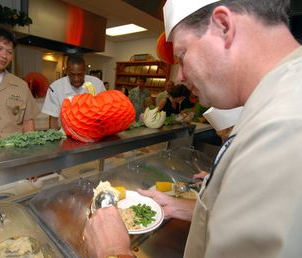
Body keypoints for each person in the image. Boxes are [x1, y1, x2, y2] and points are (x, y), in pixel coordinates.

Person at [84, 1, 302, 258]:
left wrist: (112, 251)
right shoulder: (281, 96)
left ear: (224, 26)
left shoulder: (283, 127)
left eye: (182, 56)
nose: (179, 77)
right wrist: (188, 208)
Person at [42, 55, 106, 129]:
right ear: (66, 71)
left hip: (93, 131)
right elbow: (53, 119)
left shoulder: (97, 84)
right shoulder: (55, 88)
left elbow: (104, 113)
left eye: (80, 75)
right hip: (66, 133)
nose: (76, 79)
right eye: (72, 75)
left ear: (85, 71)